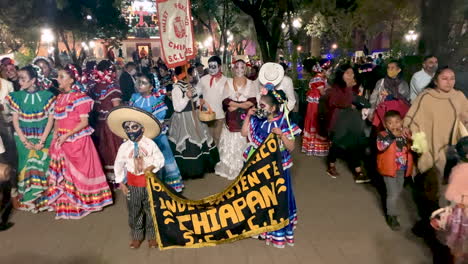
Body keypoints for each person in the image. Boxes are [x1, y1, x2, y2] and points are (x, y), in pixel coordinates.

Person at [404, 67, 468, 235]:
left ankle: (447, 225)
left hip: (453, 151)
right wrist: (409, 129)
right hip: (431, 148)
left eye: (452, 78)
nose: (449, 82)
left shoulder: (459, 97)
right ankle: (429, 223)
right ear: (436, 80)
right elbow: (413, 117)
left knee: (451, 189)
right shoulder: (426, 97)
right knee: (431, 187)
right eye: (444, 78)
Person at [47, 64, 113, 219]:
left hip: (77, 139)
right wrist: (55, 136)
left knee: (81, 172)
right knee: (65, 173)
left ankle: (85, 202)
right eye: (58, 76)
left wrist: (67, 135)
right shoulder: (59, 98)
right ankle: (70, 205)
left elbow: (84, 122)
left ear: (71, 80)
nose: (58, 79)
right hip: (62, 139)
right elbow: (57, 120)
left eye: (62, 76)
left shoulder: (80, 98)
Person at [241, 89, 301, 248]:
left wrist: (281, 135)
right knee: (258, 196)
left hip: (278, 168)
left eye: (262, 105)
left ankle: (274, 230)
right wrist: (248, 115)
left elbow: (292, 147)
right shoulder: (257, 120)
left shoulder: (284, 123)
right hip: (260, 166)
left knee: (275, 197)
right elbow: (243, 133)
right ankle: (258, 227)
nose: (259, 108)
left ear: (273, 108)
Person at [108, 106, 164, 249]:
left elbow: (160, 159)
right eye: (127, 128)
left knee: (151, 209)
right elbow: (118, 165)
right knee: (134, 211)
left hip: (149, 182)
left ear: (142, 128)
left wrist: (152, 167)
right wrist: (121, 183)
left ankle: (152, 235)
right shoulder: (124, 147)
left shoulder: (150, 144)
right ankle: (137, 236)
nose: (131, 130)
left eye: (134, 127)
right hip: (133, 184)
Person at [5, 65, 55, 212]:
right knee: (27, 168)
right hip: (23, 139)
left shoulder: (48, 96)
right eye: (19, 79)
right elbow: (15, 121)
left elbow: (51, 121)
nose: (20, 82)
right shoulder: (16, 97)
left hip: (44, 138)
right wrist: (25, 141)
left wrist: (42, 141)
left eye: (23, 79)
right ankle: (30, 201)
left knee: (44, 166)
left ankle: (46, 201)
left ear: (33, 80)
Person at [130, 73, 183, 192]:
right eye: (139, 82)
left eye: (144, 83)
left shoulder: (156, 100)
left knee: (164, 158)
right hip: (140, 136)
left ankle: (169, 185)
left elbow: (159, 120)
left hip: (157, 135)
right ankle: (146, 187)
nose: (140, 85)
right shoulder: (134, 98)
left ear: (151, 87)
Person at [168, 66, 219, 179]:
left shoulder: (189, 85)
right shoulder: (177, 88)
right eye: (191, 74)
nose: (193, 76)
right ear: (185, 74)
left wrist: (198, 101)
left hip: (195, 115)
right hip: (184, 119)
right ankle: (192, 170)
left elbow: (194, 101)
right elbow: (177, 107)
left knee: (202, 138)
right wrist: (186, 97)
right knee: (189, 142)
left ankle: (204, 166)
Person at [325, 64, 370, 183]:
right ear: (341, 75)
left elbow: (360, 101)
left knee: (354, 143)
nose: (351, 75)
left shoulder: (355, 86)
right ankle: (331, 165)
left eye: (352, 73)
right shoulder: (336, 88)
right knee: (338, 143)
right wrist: (350, 95)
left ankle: (358, 171)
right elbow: (336, 102)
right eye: (347, 73)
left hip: (353, 119)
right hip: (339, 120)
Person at [215, 60, 257, 180]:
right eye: (237, 67)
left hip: (245, 118)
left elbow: (252, 101)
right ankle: (231, 167)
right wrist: (241, 104)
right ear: (233, 68)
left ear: (246, 69)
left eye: (242, 67)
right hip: (231, 119)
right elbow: (225, 100)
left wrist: (237, 105)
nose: (239, 70)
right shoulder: (228, 81)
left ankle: (244, 166)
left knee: (244, 138)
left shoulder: (251, 83)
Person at [376, 110, 413, 231]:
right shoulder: (383, 135)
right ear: (385, 125)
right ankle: (392, 216)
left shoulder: (404, 134)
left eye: (397, 122)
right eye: (390, 123)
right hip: (389, 169)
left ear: (402, 122)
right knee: (392, 194)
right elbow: (380, 146)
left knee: (397, 191)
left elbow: (411, 147)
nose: (394, 125)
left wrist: (411, 139)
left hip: (401, 169)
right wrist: (393, 136)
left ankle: (392, 210)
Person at [88, 60, 122, 184]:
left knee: (102, 150)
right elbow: (116, 109)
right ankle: (117, 178)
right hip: (110, 125)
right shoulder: (112, 87)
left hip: (97, 124)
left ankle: (105, 178)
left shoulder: (94, 87)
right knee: (113, 150)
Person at [302, 60, 331, 156]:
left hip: (313, 104)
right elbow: (323, 93)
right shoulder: (319, 80)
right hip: (317, 104)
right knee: (317, 121)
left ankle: (310, 145)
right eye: (328, 69)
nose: (330, 71)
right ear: (323, 70)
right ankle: (316, 146)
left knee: (312, 121)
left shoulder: (317, 78)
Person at [199, 56, 228, 145]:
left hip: (220, 115)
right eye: (209, 66)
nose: (211, 69)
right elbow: (196, 94)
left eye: (214, 66)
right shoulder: (203, 79)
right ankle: (211, 158)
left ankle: (218, 157)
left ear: (219, 66)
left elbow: (228, 98)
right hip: (207, 115)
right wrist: (198, 100)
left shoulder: (226, 80)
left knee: (218, 139)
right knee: (209, 140)